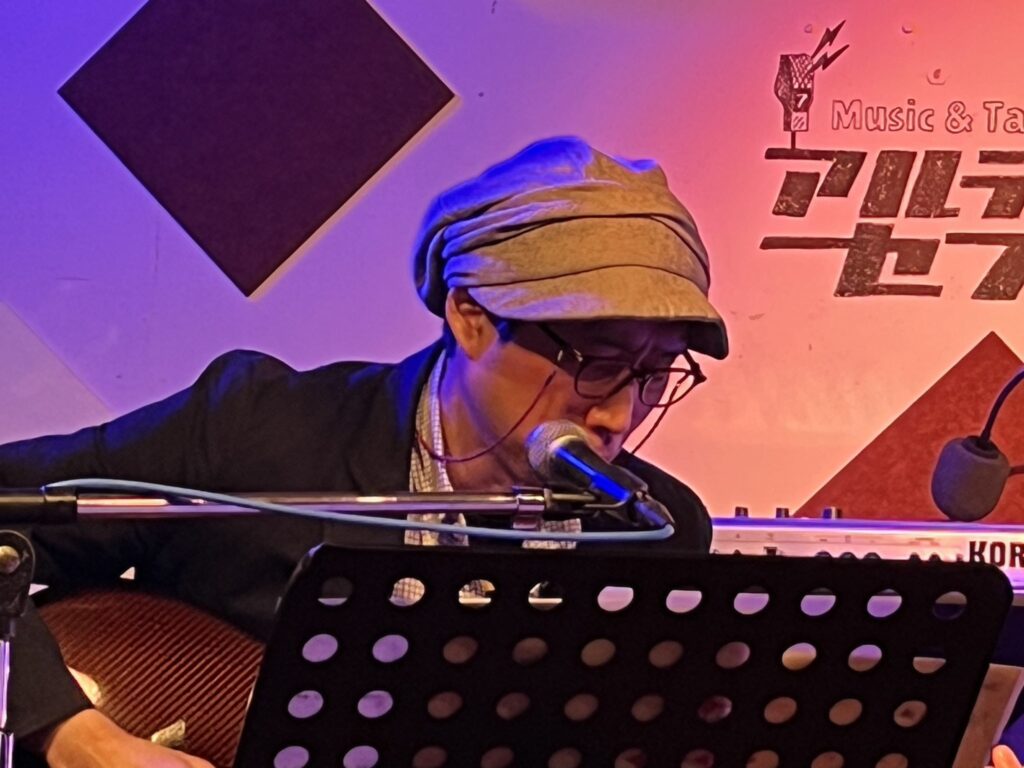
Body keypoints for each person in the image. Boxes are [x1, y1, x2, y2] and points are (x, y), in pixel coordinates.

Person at [0, 136, 728, 767]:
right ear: (470, 316)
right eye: (594, 362)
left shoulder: (659, 528)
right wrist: (74, 735)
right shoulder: (259, 432)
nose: (618, 414)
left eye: (655, 371)